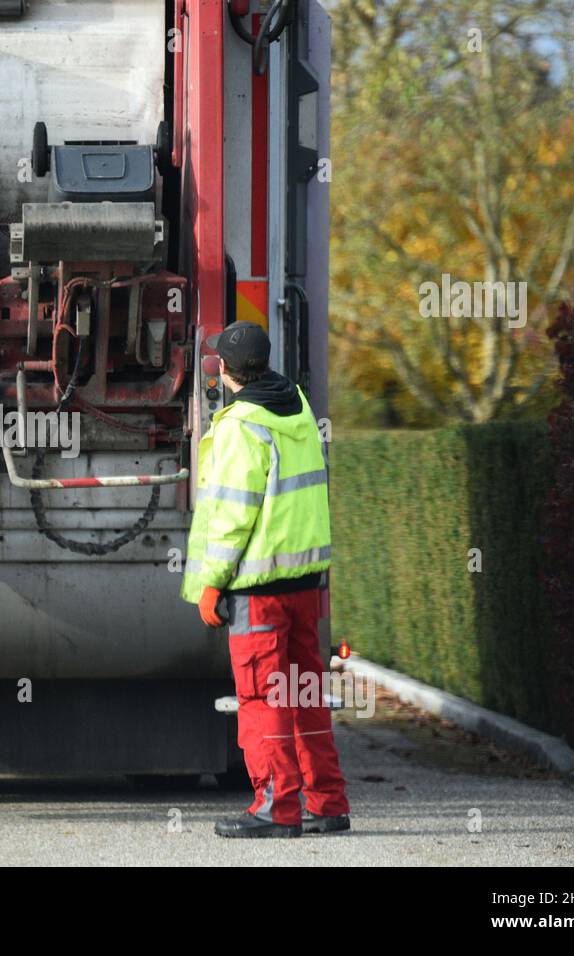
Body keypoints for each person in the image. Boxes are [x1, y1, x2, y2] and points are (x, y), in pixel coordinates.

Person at [181, 320, 350, 839]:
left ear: (225, 370)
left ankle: (276, 809)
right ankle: (326, 803)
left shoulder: (240, 426)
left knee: (264, 698)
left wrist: (211, 582)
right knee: (304, 693)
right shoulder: (295, 405)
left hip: (257, 590)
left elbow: (233, 515)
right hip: (303, 584)